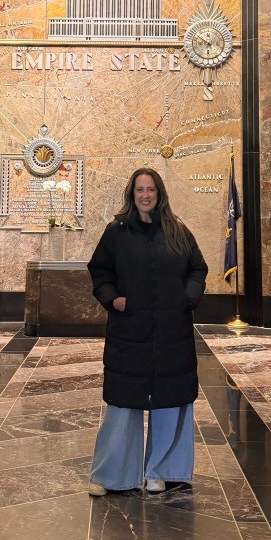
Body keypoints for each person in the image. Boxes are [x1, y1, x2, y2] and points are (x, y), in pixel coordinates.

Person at [87, 167, 208, 496]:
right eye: (140, 189)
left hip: (172, 332)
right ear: (132, 194)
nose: (145, 195)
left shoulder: (178, 231)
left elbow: (197, 268)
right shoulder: (117, 232)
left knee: (171, 401)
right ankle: (112, 476)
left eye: (150, 189)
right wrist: (114, 300)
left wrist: (187, 298)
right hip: (130, 331)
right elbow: (100, 270)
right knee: (123, 403)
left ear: (159, 193)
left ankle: (162, 472)